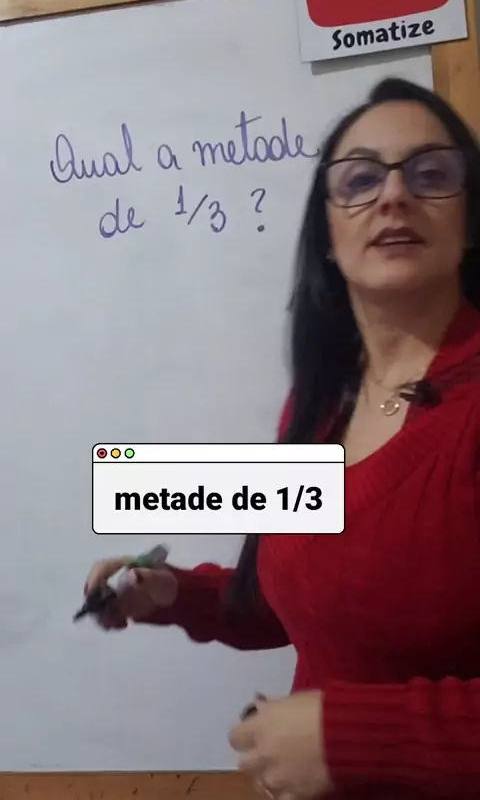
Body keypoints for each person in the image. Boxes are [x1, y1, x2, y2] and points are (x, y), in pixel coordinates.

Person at [84, 77, 480, 799]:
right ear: (327, 236)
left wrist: (350, 739)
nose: (394, 195)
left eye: (430, 174)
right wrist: (176, 594)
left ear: (471, 219)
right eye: (360, 179)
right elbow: (315, 602)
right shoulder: (322, 401)